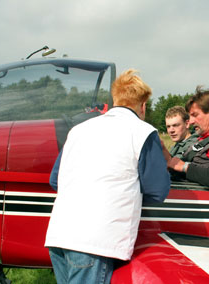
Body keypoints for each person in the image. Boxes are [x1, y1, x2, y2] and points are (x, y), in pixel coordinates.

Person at [45, 69, 170, 284]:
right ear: (143, 105)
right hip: (95, 243)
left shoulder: (79, 130)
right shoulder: (142, 132)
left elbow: (55, 180)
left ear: (116, 99)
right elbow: (158, 190)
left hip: (59, 236)